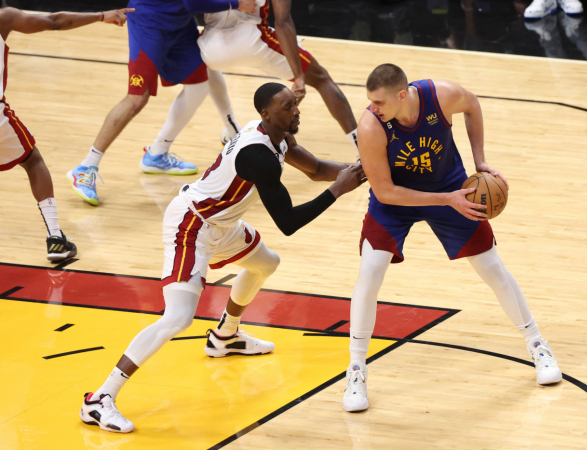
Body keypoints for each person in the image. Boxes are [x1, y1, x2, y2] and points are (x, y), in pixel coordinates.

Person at [80, 82, 365, 433]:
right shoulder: (258, 156)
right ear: (266, 114)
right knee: (178, 318)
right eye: (288, 106)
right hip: (192, 226)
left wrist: (361, 170)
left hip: (222, 222)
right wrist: (339, 190)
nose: (296, 110)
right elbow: (289, 222)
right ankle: (100, 399)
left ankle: (226, 336)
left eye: (295, 104)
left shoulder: (276, 135)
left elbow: (317, 168)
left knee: (266, 263)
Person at [342, 64, 562, 413]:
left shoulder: (440, 95)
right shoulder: (371, 126)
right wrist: (447, 200)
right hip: (399, 200)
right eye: (370, 101)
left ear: (402, 95)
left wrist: (481, 161)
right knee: (370, 272)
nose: (372, 107)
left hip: (450, 186)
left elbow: (473, 104)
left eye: (379, 101)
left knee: (492, 268)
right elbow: (384, 192)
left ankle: (537, 344)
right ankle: (356, 369)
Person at [66, 0, 257, 207]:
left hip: (180, 22)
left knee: (198, 84)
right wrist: (235, 3)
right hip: (151, 23)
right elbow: (193, 3)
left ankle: (157, 154)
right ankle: (86, 167)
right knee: (137, 98)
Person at [0, 7, 132, 260]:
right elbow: (55, 21)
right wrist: (102, 16)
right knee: (32, 160)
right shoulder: (3, 18)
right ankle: (55, 237)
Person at [194, 0, 360, 156]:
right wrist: (298, 76)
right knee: (322, 79)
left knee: (201, 75)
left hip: (209, 46)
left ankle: (230, 130)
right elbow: (283, 22)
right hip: (253, 40)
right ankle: (361, 148)